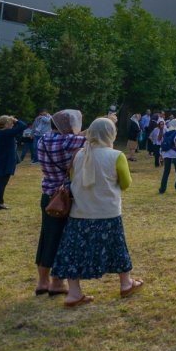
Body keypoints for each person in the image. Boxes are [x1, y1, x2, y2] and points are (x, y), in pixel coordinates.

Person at [50, 118, 141, 307]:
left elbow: (75, 181)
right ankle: (126, 283)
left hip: (80, 213)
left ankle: (74, 293)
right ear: (111, 134)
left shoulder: (79, 155)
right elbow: (125, 184)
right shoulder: (116, 156)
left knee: (74, 253)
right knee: (117, 249)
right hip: (107, 212)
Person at [33, 109, 85, 296]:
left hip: (47, 194)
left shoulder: (43, 140)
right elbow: (93, 136)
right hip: (64, 197)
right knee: (62, 238)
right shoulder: (68, 141)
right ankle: (57, 282)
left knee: (47, 236)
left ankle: (42, 282)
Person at [0, 114, 27, 210]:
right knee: (2, 182)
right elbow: (23, 126)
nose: (13, 125)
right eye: (11, 123)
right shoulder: (7, 133)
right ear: (6, 124)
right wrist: (15, 120)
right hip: (5, 160)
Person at [159, 119, 176, 194]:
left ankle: (162, 189)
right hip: (175, 154)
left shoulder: (166, 133)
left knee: (166, 171)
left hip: (167, 154)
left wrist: (161, 154)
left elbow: (162, 144)